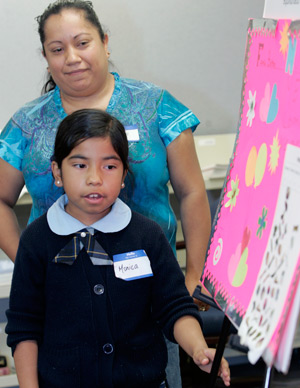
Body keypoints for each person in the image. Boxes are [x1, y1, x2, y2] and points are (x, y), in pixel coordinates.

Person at [0, 1, 211, 386]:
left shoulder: (155, 107)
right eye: (57, 49)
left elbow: (192, 191)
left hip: (146, 297)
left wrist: (194, 273)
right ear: (45, 57)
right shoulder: (27, 124)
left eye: (83, 42)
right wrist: (39, 263)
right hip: (64, 311)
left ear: (105, 42)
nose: (73, 58)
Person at [5, 109, 230, 388]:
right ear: (57, 172)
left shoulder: (147, 235)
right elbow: (24, 327)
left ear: (124, 174)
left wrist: (198, 348)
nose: (95, 178)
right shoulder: (37, 241)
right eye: (80, 165)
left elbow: (174, 306)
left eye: (109, 166)